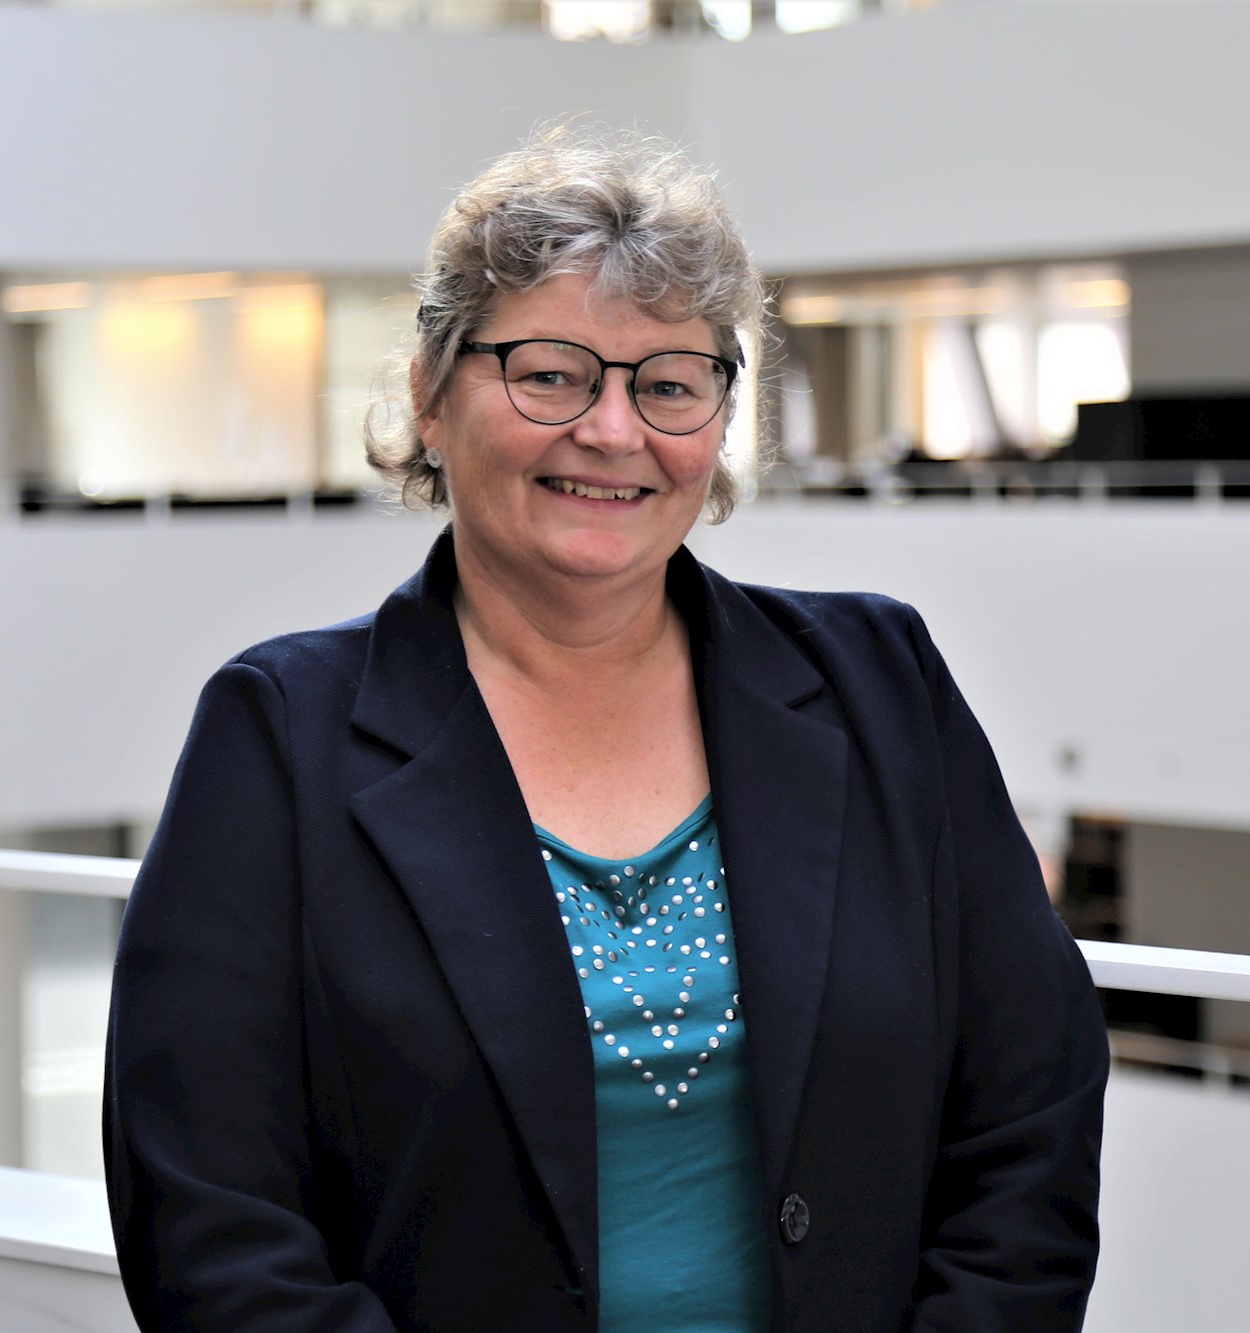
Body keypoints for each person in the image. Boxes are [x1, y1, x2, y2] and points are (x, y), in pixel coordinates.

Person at [103, 125, 1109, 1333]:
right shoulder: (278, 734)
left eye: (668, 383)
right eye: (550, 373)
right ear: (429, 393)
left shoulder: (878, 681)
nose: (613, 431)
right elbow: (208, 1215)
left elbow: (1029, 1107)